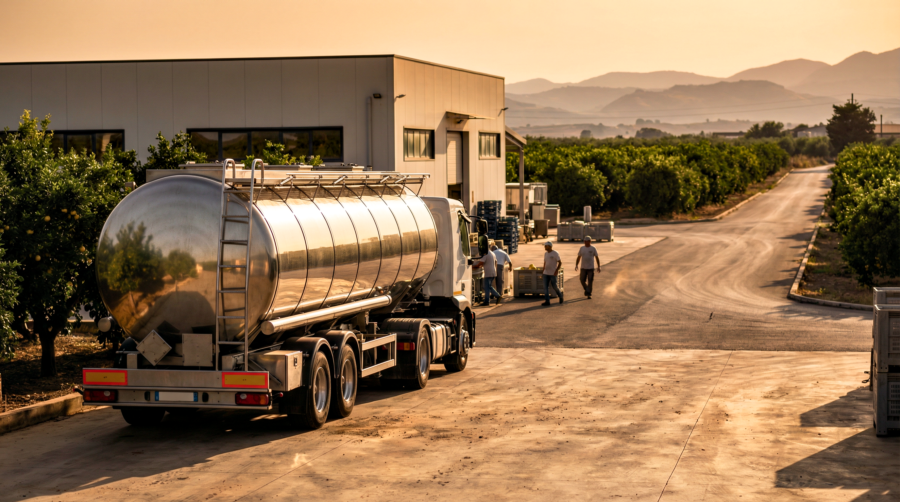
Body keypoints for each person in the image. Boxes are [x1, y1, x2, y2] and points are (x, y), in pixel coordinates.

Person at [541, 241, 563, 306]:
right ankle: (547, 301)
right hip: (546, 273)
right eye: (544, 246)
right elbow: (545, 262)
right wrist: (543, 270)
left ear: (550, 246)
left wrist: (556, 271)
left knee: (554, 286)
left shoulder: (555, 253)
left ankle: (560, 296)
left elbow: (560, 262)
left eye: (546, 246)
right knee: (545, 287)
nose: (545, 247)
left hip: (553, 273)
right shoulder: (545, 254)